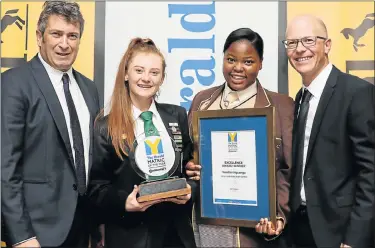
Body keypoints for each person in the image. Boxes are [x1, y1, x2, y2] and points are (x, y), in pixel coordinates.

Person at [1, 1, 100, 247]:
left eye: (72, 36)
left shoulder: (89, 88)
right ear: (39, 36)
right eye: (56, 34)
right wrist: (22, 235)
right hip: (36, 233)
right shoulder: (14, 84)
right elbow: (5, 166)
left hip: (83, 227)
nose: (64, 44)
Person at [185, 28, 294, 247]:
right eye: (231, 59)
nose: (237, 68)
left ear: (261, 63)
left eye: (248, 62)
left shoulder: (281, 106)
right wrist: (189, 166)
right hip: (206, 221)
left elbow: (288, 170)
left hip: (251, 229)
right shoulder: (202, 101)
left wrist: (278, 215)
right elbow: (189, 154)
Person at [88, 38, 197, 248]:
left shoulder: (177, 116)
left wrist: (191, 189)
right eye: (139, 70)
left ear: (162, 78)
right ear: (126, 74)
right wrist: (124, 202)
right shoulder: (105, 126)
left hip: (176, 236)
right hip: (129, 237)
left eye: (154, 72)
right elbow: (96, 189)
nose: (146, 78)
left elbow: (192, 170)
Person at [284, 15, 375, 248]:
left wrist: (355, 238)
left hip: (340, 232)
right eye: (292, 43)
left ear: (327, 45)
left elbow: (370, 171)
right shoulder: (300, 97)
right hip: (300, 229)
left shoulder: (357, 92)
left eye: (308, 40)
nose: (299, 49)